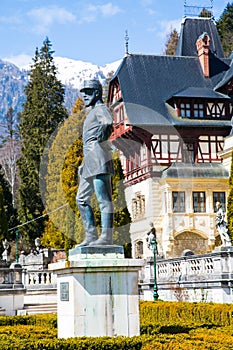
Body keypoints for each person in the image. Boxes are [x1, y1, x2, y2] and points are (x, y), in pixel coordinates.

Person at [76, 79, 114, 246]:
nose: (84, 95)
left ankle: (106, 237)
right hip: (90, 160)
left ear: (97, 93)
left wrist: (100, 139)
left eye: (88, 91)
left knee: (103, 199)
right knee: (81, 199)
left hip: (99, 157)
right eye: (83, 91)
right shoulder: (91, 112)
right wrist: (85, 163)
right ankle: (91, 236)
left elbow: (108, 122)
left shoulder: (100, 108)